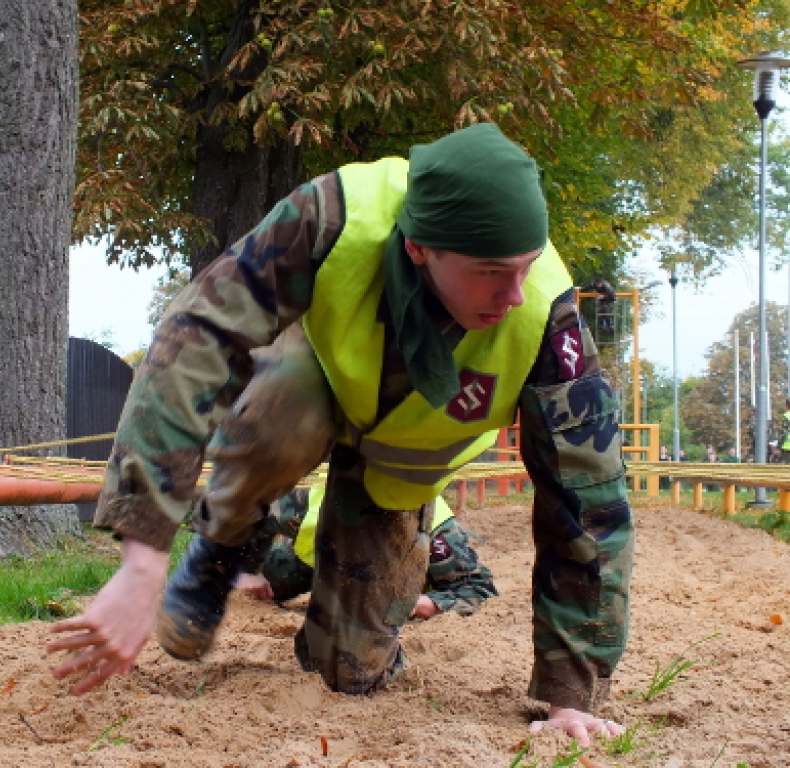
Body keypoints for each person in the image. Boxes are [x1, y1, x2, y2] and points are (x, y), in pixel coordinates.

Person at [46, 123, 632, 747]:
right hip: (316, 384)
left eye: (525, 267)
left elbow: (588, 500)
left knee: (348, 674)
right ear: (419, 248)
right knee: (282, 409)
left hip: (400, 469)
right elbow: (195, 335)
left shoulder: (546, 314)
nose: (514, 295)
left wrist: (572, 694)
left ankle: (360, 632)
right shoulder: (334, 216)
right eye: (491, 271)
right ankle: (226, 544)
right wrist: (142, 558)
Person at [236, 487, 497, 621]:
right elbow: (240, 512)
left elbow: (479, 589)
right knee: (269, 580)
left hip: (391, 595)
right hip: (316, 562)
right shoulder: (308, 505)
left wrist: (426, 605)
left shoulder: (438, 536)